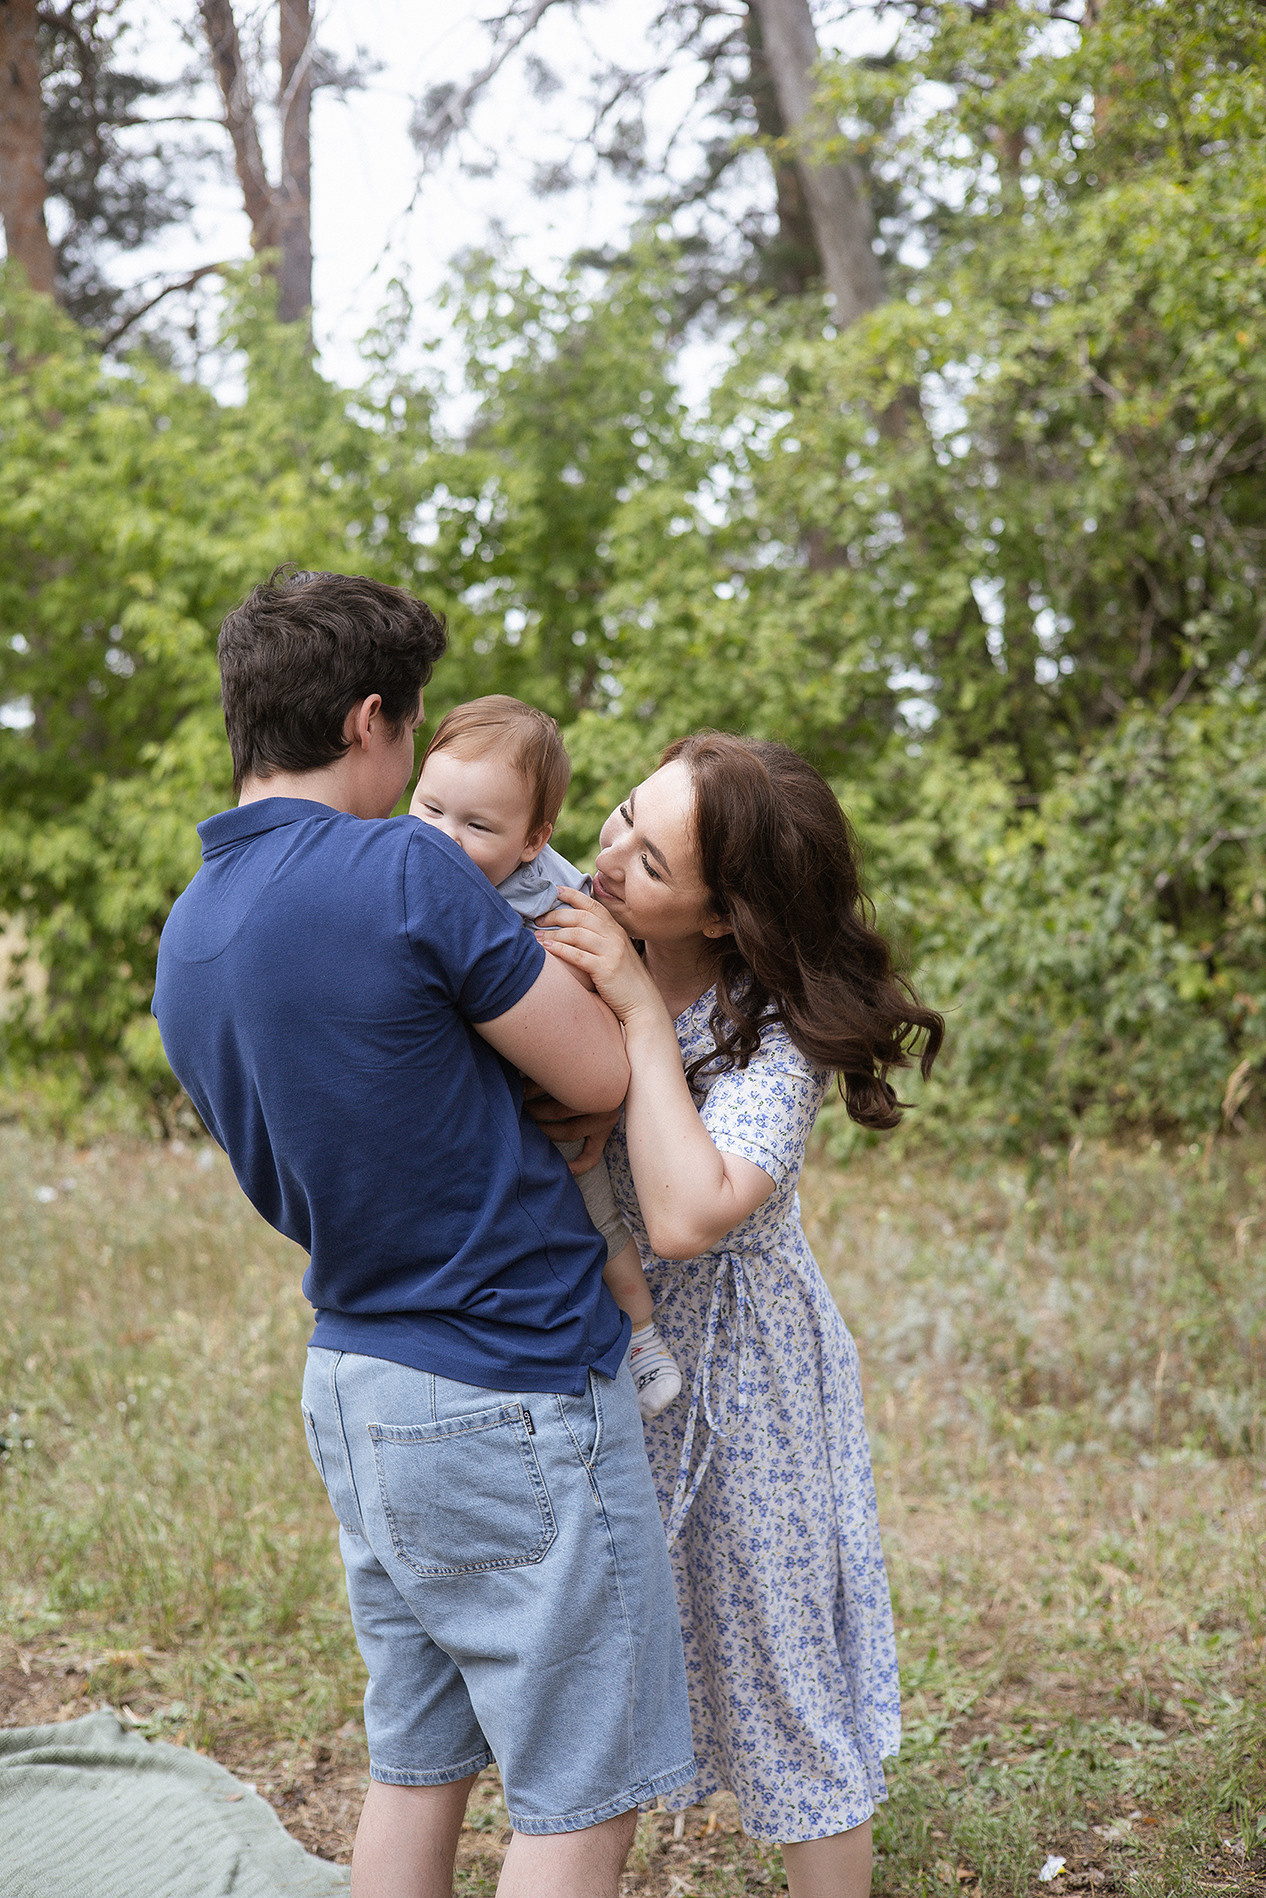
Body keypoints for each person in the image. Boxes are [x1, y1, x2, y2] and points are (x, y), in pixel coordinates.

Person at [151, 569, 695, 1898]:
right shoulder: (401, 865)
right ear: (369, 720)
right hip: (507, 1370)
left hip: (355, 1380)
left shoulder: (190, 934)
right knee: (580, 1790)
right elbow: (597, 1075)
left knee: (416, 1768)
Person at [534, 731, 944, 1898]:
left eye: (652, 863)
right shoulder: (561, 919)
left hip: (747, 1383)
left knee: (784, 1680)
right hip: (603, 1364)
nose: (608, 859)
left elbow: (683, 1213)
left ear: (722, 914)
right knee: (599, 1690)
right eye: (619, 815)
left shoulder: (772, 1036)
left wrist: (633, 1008)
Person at [409, 694, 682, 1419]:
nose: (445, 838)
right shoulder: (399, 867)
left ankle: (646, 1341)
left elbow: (614, 983)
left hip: (557, 1104)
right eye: (431, 809)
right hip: (479, 1114)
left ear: (533, 841)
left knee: (599, 1223)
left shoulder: (561, 897)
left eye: (478, 827)